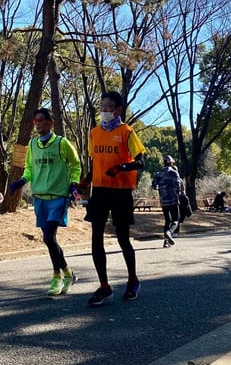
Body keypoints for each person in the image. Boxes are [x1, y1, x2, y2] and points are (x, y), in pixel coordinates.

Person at [9, 107, 81, 296]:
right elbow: (30, 168)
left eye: (41, 120)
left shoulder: (61, 143)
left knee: (49, 237)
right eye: (35, 120)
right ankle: (69, 273)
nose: (38, 123)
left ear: (51, 123)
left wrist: (74, 184)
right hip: (40, 197)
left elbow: (75, 165)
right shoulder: (32, 144)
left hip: (58, 197)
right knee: (51, 240)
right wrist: (22, 181)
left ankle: (56, 277)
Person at [85, 91, 145, 306]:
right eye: (101, 106)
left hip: (120, 191)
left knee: (122, 238)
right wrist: (83, 182)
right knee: (95, 239)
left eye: (108, 106)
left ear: (118, 109)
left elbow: (141, 162)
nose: (104, 110)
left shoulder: (127, 132)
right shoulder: (94, 133)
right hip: (99, 191)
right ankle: (104, 287)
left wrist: (121, 167)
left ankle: (132, 280)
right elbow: (96, 163)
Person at [152, 155, 182, 248]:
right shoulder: (174, 172)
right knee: (176, 220)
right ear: (172, 163)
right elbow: (178, 185)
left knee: (167, 221)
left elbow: (154, 186)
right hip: (173, 199)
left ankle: (166, 242)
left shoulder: (158, 174)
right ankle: (169, 232)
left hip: (163, 201)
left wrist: (161, 187)